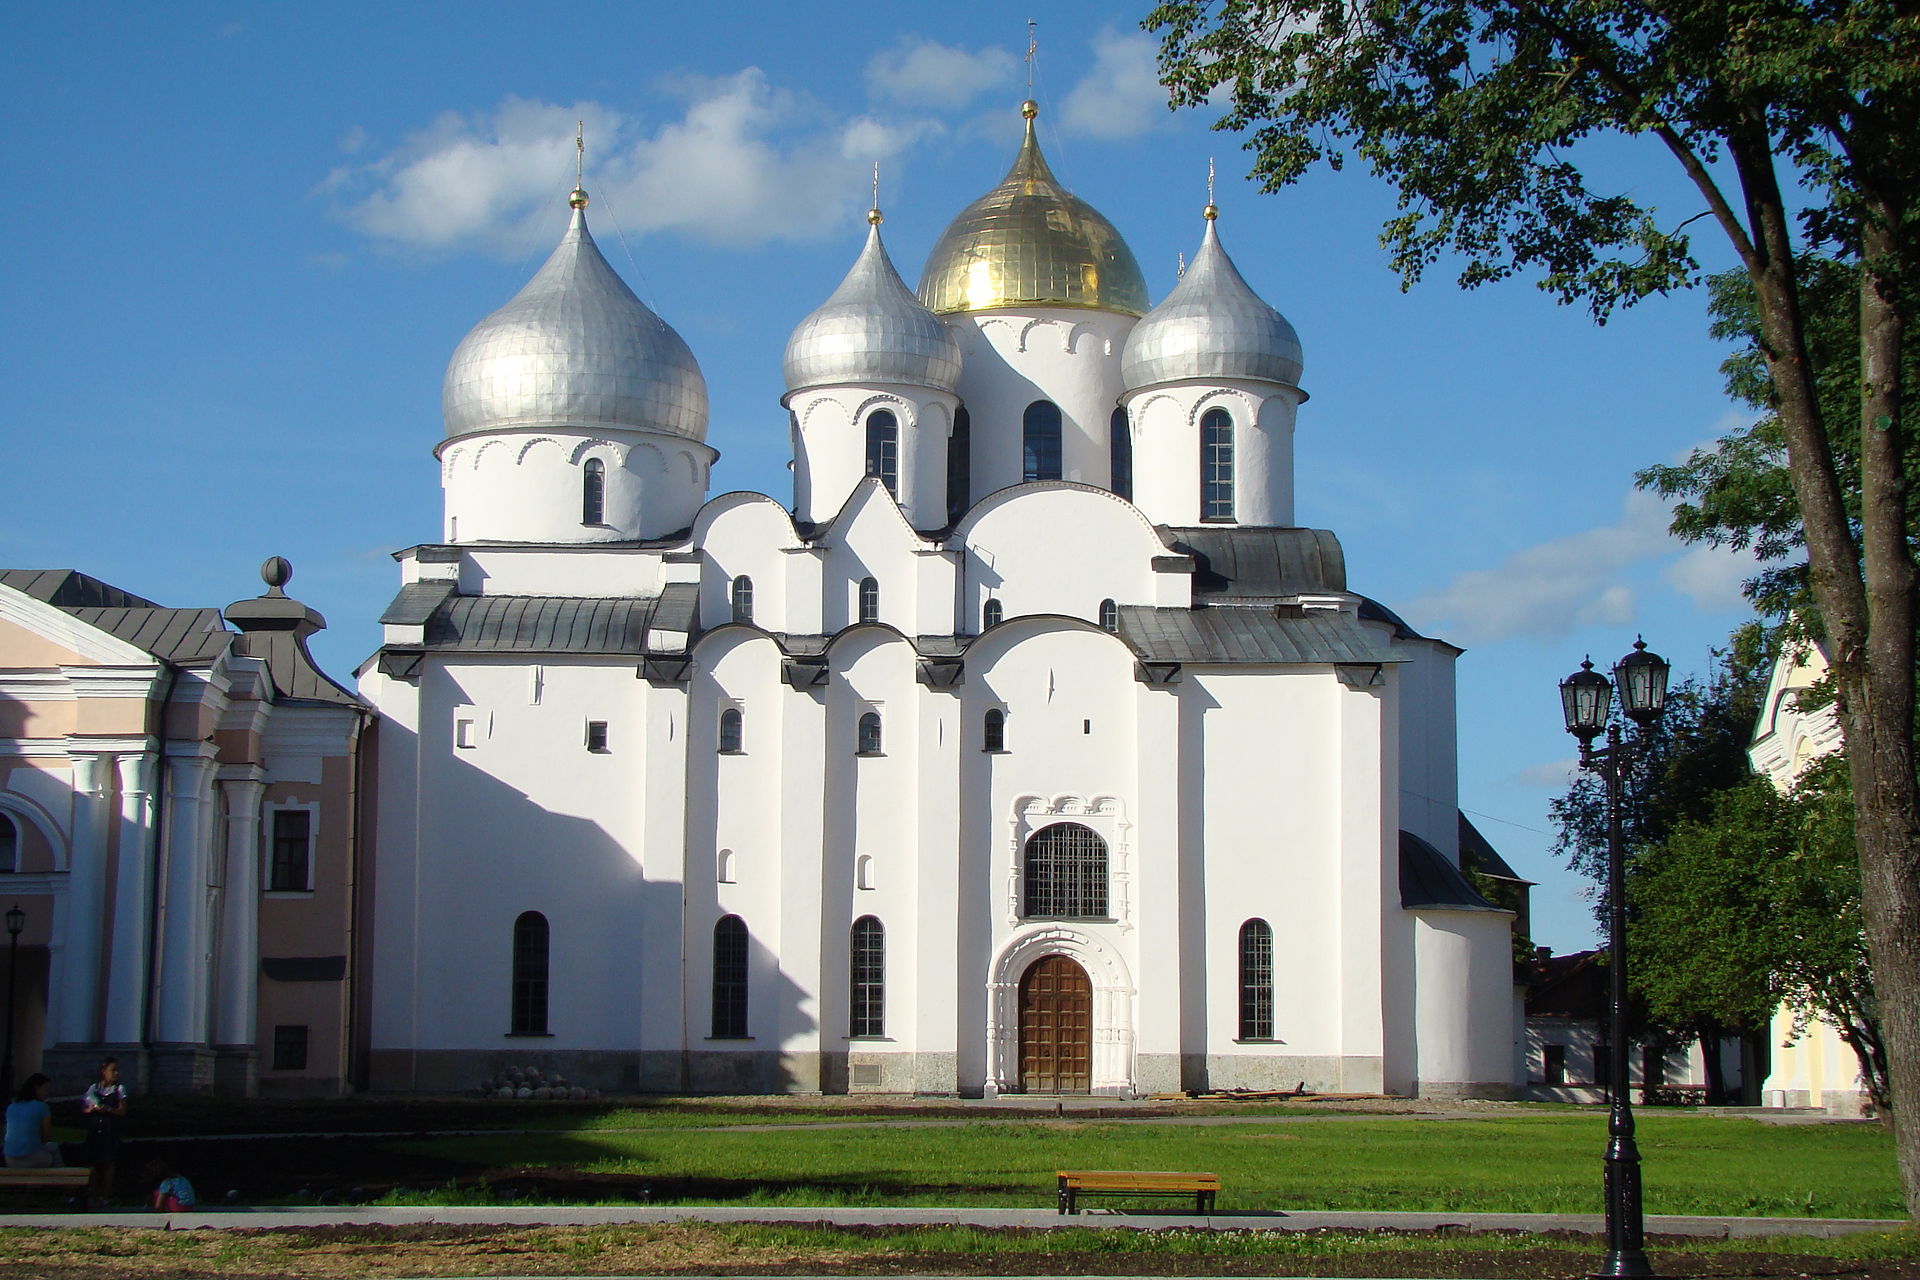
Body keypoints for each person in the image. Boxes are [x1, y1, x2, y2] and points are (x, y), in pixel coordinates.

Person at [82, 1057, 127, 1207]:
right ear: (104, 1072)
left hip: (110, 1128)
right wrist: (92, 1109)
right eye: (112, 1070)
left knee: (109, 1163)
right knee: (93, 1163)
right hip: (96, 1128)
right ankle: (91, 1193)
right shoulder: (94, 1089)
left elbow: (122, 1111)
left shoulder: (119, 1089)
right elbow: (85, 1107)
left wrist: (108, 1109)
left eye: (117, 1070)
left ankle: (105, 1194)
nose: (116, 1073)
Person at [3, 1073, 62, 1168]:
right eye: (45, 1089)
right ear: (36, 1088)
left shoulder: (12, 1107)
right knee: (54, 1149)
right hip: (33, 1157)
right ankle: (61, 1179)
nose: (47, 1093)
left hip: (10, 1158)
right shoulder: (42, 1107)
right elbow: (46, 1137)